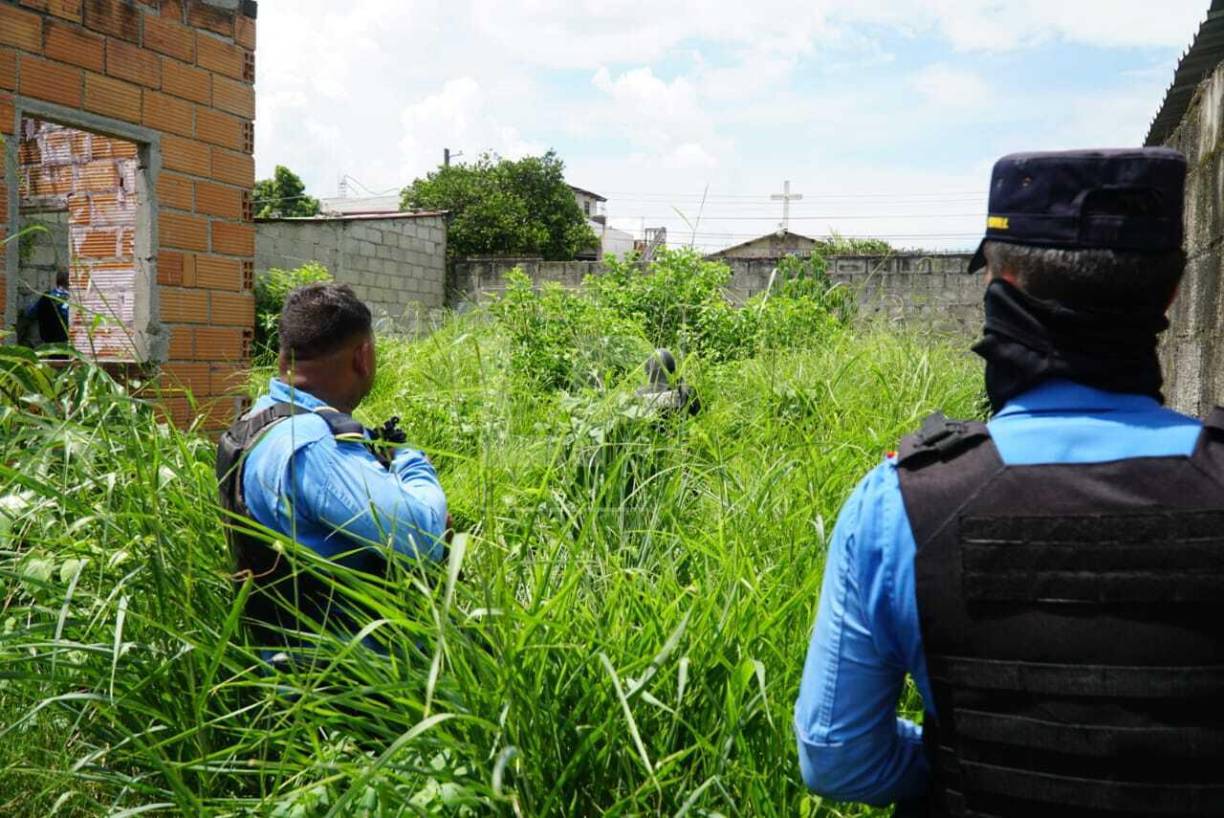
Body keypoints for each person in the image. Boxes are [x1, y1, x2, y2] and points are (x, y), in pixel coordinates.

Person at [794, 148, 1224, 816]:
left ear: (1001, 284)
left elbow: (839, 758)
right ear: (1171, 293)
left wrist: (949, 762)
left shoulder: (901, 503)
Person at [216, 282, 448, 654]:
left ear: (282, 358)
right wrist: (412, 463)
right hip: (344, 684)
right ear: (364, 357)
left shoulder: (256, 420)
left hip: (282, 665)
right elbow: (423, 538)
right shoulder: (310, 443)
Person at [634, 348, 700, 418]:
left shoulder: (639, 393)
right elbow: (699, 415)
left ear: (648, 371)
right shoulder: (686, 391)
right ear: (671, 369)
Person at [22, 270, 70, 348]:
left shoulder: (47, 296)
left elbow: (30, 313)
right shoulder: (72, 300)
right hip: (66, 341)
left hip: (48, 340)